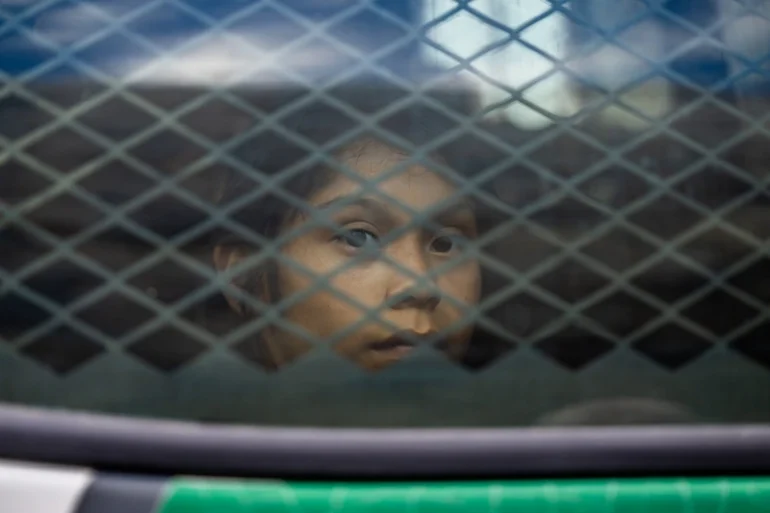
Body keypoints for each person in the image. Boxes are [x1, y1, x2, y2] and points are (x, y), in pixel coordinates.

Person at [211, 109, 507, 372]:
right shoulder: (178, 432)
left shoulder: (534, 427)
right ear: (244, 273)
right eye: (358, 238)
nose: (421, 285)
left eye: (446, 243)